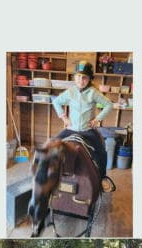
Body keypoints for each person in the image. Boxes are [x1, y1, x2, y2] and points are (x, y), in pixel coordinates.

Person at [52, 60, 114, 191]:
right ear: (74, 77)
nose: (81, 80)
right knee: (52, 144)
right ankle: (50, 173)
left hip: (87, 130)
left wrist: (98, 119)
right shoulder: (70, 92)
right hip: (71, 129)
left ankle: (102, 177)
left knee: (102, 152)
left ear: (89, 79)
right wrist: (64, 117)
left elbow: (109, 105)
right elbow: (56, 102)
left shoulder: (93, 92)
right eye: (78, 76)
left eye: (84, 77)